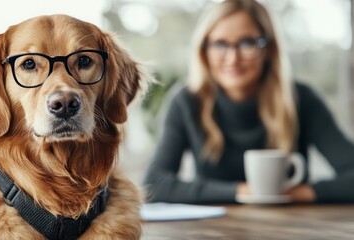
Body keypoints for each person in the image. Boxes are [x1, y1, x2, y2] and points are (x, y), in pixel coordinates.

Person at [143, 0, 354, 204]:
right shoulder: (186, 101)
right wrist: (243, 192)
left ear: (269, 49)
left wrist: (296, 194)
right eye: (220, 44)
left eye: (247, 43)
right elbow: (154, 183)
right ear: (204, 51)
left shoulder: (301, 99)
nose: (233, 58)